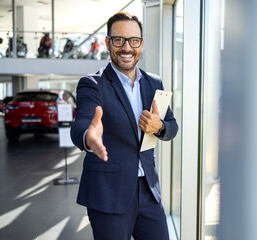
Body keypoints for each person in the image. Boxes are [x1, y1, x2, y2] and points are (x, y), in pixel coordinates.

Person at [70, 12, 178, 240]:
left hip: (149, 192)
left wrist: (159, 127)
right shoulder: (92, 84)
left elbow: (172, 126)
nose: (127, 47)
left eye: (134, 40)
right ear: (108, 43)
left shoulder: (154, 82)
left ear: (141, 44)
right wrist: (90, 137)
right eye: (119, 40)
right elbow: (81, 125)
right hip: (109, 193)